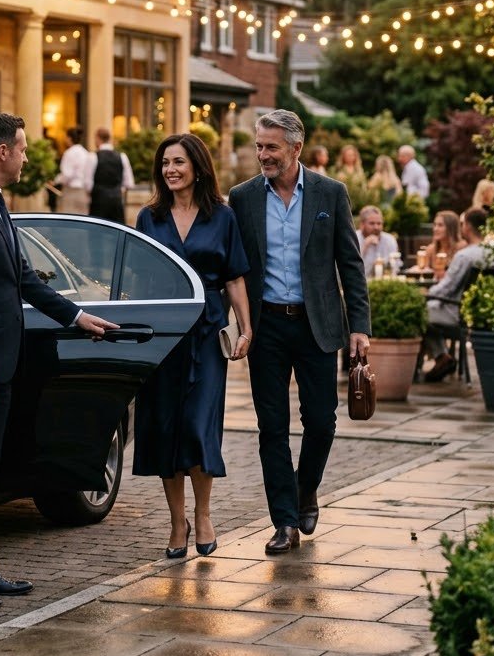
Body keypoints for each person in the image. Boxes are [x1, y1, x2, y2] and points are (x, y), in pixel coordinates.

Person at [0, 112, 117, 611]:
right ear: (3, 151)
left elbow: (23, 280)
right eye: (25, 148)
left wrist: (76, 316)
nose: (29, 156)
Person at [228, 109, 370, 556]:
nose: (263, 155)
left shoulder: (331, 192)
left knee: (321, 422)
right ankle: (284, 521)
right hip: (266, 324)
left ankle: (306, 488)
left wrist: (360, 327)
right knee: (272, 427)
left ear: (295, 148)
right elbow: (233, 266)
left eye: (271, 147)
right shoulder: (243, 197)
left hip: (317, 326)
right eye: (259, 146)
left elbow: (350, 263)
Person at [133, 133, 251, 558]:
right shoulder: (149, 218)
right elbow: (137, 278)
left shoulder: (223, 217)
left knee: (199, 428)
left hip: (207, 335)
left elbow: (235, 276)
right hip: (164, 338)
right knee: (166, 428)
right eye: (165, 163)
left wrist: (245, 327)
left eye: (179, 162)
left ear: (197, 167)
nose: (170, 170)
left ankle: (203, 514)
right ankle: (176, 523)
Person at [422, 209, 490, 381]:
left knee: (417, 313)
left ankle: (439, 358)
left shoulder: (465, 255)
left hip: (457, 313)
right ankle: (442, 357)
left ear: (467, 226)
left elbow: (446, 288)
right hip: (480, 313)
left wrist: (424, 296)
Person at [86, 126, 134, 223]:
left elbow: (87, 184)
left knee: (97, 232)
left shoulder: (93, 156)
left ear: (98, 138)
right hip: (116, 202)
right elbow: (129, 183)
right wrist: (117, 190)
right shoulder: (122, 156)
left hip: (98, 202)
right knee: (116, 233)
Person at [55, 126, 91, 214]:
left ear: (69, 138)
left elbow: (67, 175)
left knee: (69, 222)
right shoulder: (86, 153)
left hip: (71, 192)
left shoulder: (69, 153)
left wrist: (56, 180)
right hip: (83, 192)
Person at [355, 205, 400, 277]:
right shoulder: (353, 238)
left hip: (384, 283)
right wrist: (365, 246)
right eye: (372, 223)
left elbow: (396, 267)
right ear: (362, 224)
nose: (376, 227)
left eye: (379, 223)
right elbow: (353, 268)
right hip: (359, 284)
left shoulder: (390, 240)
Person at [421, 210, 465, 280]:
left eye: (440, 225)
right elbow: (424, 275)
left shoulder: (462, 248)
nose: (435, 229)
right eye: (434, 225)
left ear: (451, 228)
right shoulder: (431, 249)